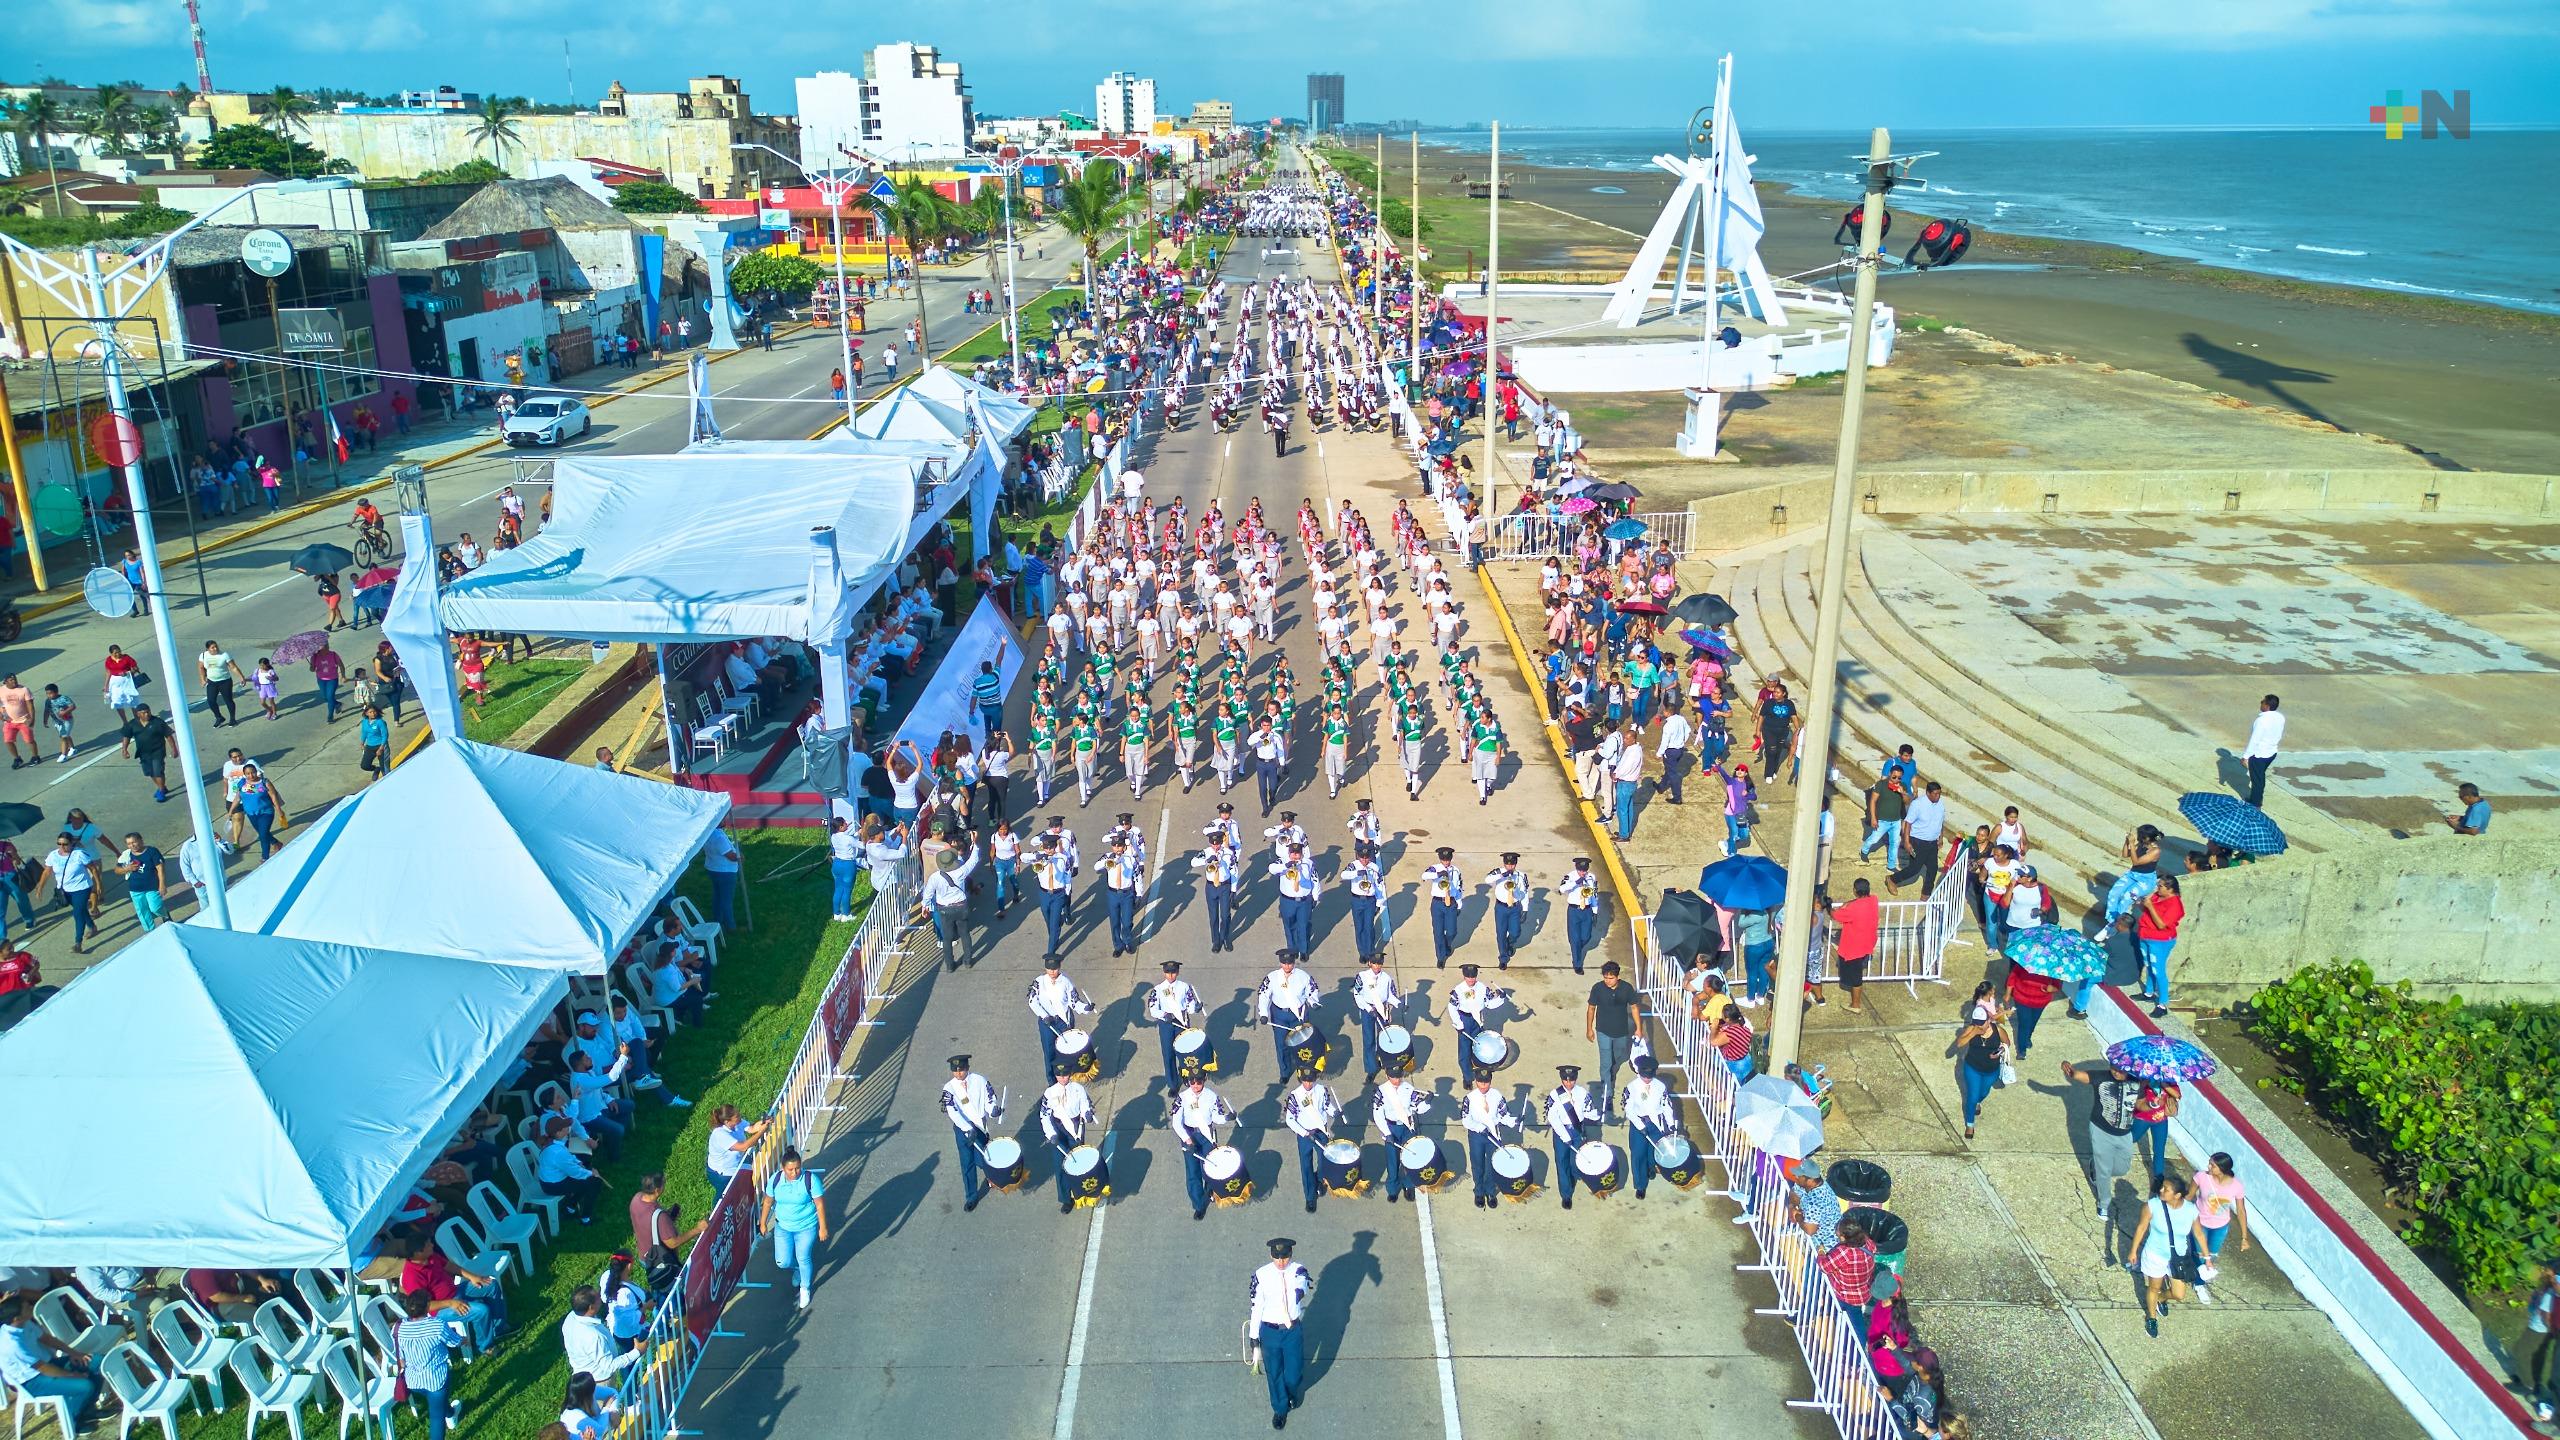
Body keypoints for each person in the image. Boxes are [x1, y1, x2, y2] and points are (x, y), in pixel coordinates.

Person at [2061, 1059, 2147, 1232]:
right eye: (2113, 1068)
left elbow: (2140, 1105)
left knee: (2122, 1169)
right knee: (2105, 1171)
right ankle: (2104, 1203)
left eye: (2119, 1069)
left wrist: (2153, 1104)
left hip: (2124, 1133)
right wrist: (2070, 1071)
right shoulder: (2101, 1077)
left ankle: (2096, 1168)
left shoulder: (2137, 1081)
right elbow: (2080, 1076)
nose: (2115, 1072)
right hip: (2101, 1131)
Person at [0, 1297, 103, 1434]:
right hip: (33, 1381)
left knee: (96, 1361)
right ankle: (74, 1421)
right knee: (85, 1386)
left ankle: (87, 1408)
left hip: (48, 1364)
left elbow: (47, 1339)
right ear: (16, 1318)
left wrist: (75, 1354)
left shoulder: (25, 1323)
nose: (31, 1306)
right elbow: (42, 1368)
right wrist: (73, 1375)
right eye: (27, 1307)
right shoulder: (12, 1344)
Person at [1246, 1237, 1314, 1429]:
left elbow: (1302, 1286)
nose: (1281, 1262)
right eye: (1277, 1258)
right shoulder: (1262, 1274)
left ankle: (1291, 1392)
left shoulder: (1298, 1270)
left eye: (1285, 1257)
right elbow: (1257, 1306)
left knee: (1293, 1373)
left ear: (1290, 1255)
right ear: (1271, 1255)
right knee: (1274, 1372)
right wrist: (1253, 1336)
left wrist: (1297, 1293)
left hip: (1291, 1329)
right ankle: (1280, 1409)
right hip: (1270, 1331)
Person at [2127, 1171, 2204, 1339]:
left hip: (2178, 1258)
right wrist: (2133, 1251)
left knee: (2179, 1294)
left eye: (2166, 1189)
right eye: (2162, 1187)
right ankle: (2152, 1317)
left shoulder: (2191, 1210)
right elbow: (2141, 1228)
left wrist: (2207, 1256)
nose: (2161, 1190)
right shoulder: (2152, 1205)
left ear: (2177, 1195)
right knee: (2153, 1287)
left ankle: (2161, 1299)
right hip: (2155, 1255)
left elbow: (2198, 1233)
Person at [758, 1147, 828, 1309]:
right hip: (783, 1227)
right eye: (790, 1169)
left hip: (806, 1227)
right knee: (782, 1261)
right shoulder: (776, 1180)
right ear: (783, 1169)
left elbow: (820, 1204)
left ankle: (805, 1288)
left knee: (803, 1256)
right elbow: (768, 1202)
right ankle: (796, 1269)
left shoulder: (810, 1180)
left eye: (797, 1168)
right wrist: (762, 1223)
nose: (794, 1172)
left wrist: (822, 1227)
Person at [395, 1289, 463, 1440]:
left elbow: (401, 1357)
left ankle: (451, 1414)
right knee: (436, 1419)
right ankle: (447, 1418)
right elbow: (454, 1341)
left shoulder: (400, 1327)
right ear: (427, 1307)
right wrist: (465, 1340)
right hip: (436, 1380)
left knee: (437, 1402)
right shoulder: (437, 1325)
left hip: (413, 1381)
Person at [2192, 1151, 2251, 1303]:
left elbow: (2241, 1210)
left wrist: (2244, 1237)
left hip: (2220, 1227)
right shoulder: (2201, 1177)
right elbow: (2188, 1196)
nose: (2208, 1166)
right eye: (2209, 1163)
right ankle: (2199, 1284)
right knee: (2200, 1255)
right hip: (2200, 1223)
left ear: (2222, 1169)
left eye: (2212, 1165)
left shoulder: (2236, 1186)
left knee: (2211, 1256)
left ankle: (2199, 1277)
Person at [1281, 1066, 1341, 1214]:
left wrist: (1335, 1112)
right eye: (1305, 1081)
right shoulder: (1295, 1096)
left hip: (1321, 1132)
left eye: (1310, 1081)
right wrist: (1304, 1133)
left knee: (1324, 1160)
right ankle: (1310, 1197)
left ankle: (1320, 1180)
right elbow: (1290, 1120)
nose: (1308, 1084)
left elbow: (1326, 1106)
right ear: (1301, 1079)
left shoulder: (1321, 1090)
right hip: (1305, 1135)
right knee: (1306, 1165)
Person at [1586, 961, 1640, 1118]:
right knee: (1606, 1063)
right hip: (1602, 1030)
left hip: (1621, 1032)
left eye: (1611, 978)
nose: (1607, 981)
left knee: (1618, 1056)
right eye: (1605, 977)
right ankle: (1607, 1094)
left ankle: (1610, 1073)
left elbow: (1635, 1007)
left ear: (1618, 976)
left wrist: (1639, 1028)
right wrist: (1589, 1028)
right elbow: (1591, 1008)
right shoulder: (1597, 988)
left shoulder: (1627, 989)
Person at [32, 832, 98, 953]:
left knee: (77, 913)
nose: (62, 847)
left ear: (71, 843)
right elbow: (47, 872)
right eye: (59, 844)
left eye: (65, 844)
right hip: (65, 890)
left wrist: (98, 885)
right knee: (82, 910)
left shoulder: (79, 854)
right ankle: (92, 926)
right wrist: (40, 887)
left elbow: (93, 868)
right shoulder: (53, 855)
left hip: (81, 888)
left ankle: (78, 943)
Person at [1954, 1000, 2007, 1141]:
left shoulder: (1998, 1030)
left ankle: (1978, 1102)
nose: (1980, 1025)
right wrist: (1974, 1033)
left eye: (1982, 1022)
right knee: (1972, 1096)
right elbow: (1959, 1043)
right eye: (1976, 1022)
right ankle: (1970, 1125)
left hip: (1991, 1070)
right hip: (1973, 1068)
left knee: (1983, 1092)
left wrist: (1999, 1051)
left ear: (1989, 1019)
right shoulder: (1972, 1029)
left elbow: (2007, 1044)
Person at [2132, 876, 2184, 1018]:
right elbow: (2147, 910)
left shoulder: (2175, 904)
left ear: (2170, 889)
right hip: (2145, 935)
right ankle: (2149, 992)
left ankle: (2162, 1004)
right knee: (2148, 965)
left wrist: (2150, 906)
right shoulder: (2157, 896)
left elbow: (2162, 925)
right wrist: (2141, 904)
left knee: (2158, 970)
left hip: (2160, 940)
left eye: (2160, 886)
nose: (2157, 888)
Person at [705, 1104, 771, 1195]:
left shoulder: (737, 1122)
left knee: (737, 1193)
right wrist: (761, 1132)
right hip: (721, 1174)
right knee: (723, 1196)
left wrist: (763, 1123)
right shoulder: (720, 1134)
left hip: (734, 1168)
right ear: (727, 1122)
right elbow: (743, 1146)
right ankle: (716, 1209)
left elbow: (751, 1128)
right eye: (737, 1116)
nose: (740, 1117)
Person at [115, 832, 169, 932]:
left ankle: (165, 914)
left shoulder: (152, 851)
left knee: (155, 908)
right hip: (135, 889)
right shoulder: (127, 854)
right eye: (129, 844)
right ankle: (150, 932)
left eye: (134, 842)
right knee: (142, 912)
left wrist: (162, 884)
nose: (132, 845)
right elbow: (117, 870)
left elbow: (160, 868)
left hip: (152, 887)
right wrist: (127, 868)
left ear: (141, 840)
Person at [2240, 693, 2283, 808]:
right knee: (2259, 776)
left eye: (2262, 702)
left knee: (2257, 780)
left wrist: (2246, 757)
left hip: (2260, 755)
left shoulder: (2261, 721)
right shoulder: (2280, 717)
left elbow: (2254, 740)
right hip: (2271, 753)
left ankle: (2255, 804)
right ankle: (2255, 799)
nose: (2261, 703)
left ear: (2267, 705)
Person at [699, 826, 743, 929]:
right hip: (725, 871)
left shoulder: (707, 831)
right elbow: (731, 856)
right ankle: (730, 926)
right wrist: (740, 857)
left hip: (713, 868)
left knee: (718, 896)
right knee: (726, 900)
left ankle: (717, 920)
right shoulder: (718, 838)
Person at [198, 640, 241, 726]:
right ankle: (219, 717)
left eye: (216, 646)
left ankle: (232, 719)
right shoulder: (203, 655)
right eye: (212, 647)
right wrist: (202, 679)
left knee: (228, 701)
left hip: (225, 681)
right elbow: (201, 667)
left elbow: (233, 667)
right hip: (212, 682)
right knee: (210, 701)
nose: (215, 648)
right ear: (208, 649)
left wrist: (241, 677)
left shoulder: (224, 655)